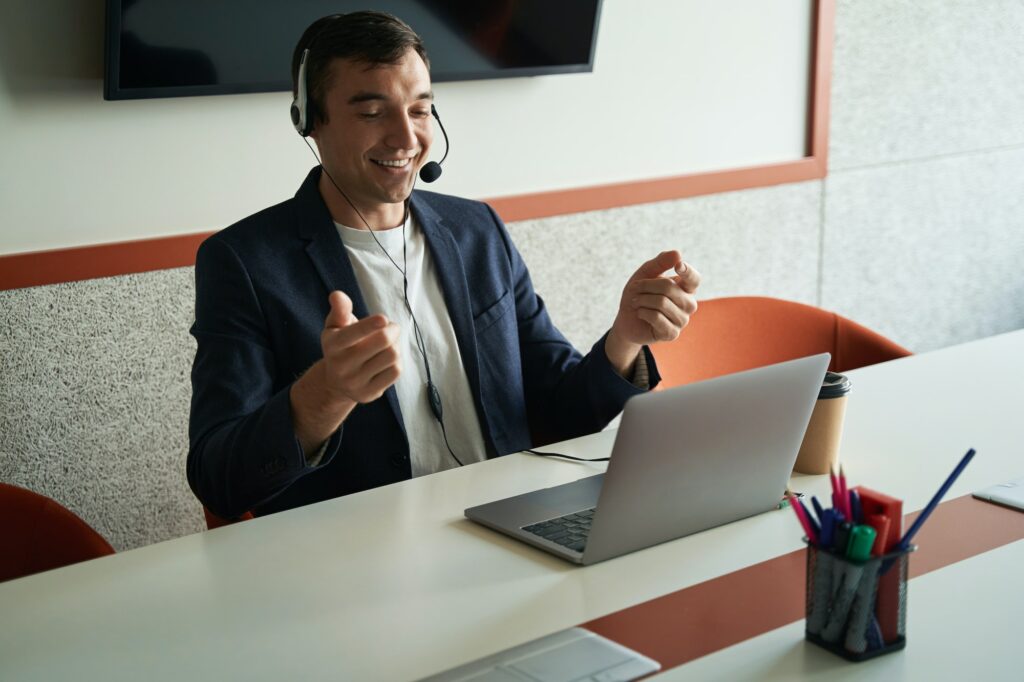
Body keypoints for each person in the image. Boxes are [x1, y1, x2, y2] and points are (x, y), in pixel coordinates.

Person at [187, 11, 701, 521]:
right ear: (309, 121)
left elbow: (563, 412)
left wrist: (625, 338)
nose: (405, 139)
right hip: (358, 562)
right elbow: (219, 479)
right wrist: (327, 392)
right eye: (372, 113)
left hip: (510, 524)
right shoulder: (244, 262)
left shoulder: (477, 230)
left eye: (419, 110)